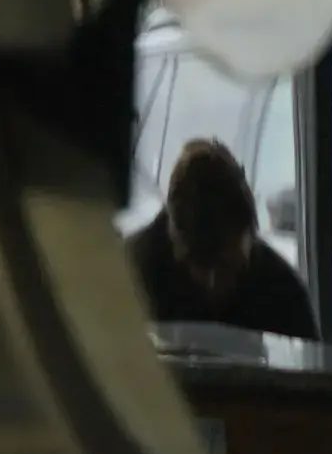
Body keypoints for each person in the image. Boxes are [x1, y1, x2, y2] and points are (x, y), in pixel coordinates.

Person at [130, 137, 321, 342]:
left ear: (250, 236)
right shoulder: (131, 274)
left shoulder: (283, 294)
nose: (213, 283)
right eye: (199, 264)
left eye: (228, 266)